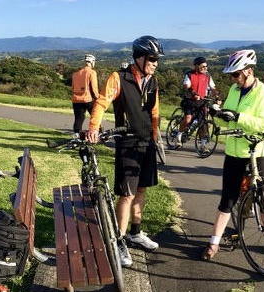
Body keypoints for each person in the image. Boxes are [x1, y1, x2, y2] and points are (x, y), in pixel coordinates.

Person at [201, 50, 264, 260]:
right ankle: (213, 243)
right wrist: (217, 113)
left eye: (236, 74)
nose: (233, 79)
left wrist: (238, 117)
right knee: (228, 198)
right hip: (235, 151)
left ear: (249, 71)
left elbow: (262, 124)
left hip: (260, 151)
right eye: (231, 75)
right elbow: (228, 118)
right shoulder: (234, 89)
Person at [85, 35, 164, 265]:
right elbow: (102, 102)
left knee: (141, 190)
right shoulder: (119, 77)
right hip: (128, 143)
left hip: (146, 143)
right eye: (152, 59)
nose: (155, 63)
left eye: (157, 59)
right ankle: (119, 241)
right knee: (127, 194)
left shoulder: (153, 81)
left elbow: (155, 110)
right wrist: (93, 128)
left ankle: (135, 233)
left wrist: (155, 134)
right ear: (139, 57)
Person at [174, 56, 216, 144]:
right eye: (203, 66)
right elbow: (186, 86)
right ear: (196, 66)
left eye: (206, 66)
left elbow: (213, 87)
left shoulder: (207, 75)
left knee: (202, 122)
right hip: (190, 100)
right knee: (188, 119)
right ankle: (179, 134)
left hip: (201, 102)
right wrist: (194, 94)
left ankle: (203, 145)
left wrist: (217, 96)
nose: (205, 68)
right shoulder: (189, 74)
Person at [70, 54, 99, 135]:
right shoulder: (92, 72)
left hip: (76, 99)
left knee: (79, 118)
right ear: (92, 62)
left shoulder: (75, 74)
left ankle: (76, 134)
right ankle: (97, 133)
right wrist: (97, 98)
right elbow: (94, 88)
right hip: (88, 99)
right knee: (95, 116)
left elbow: (73, 87)